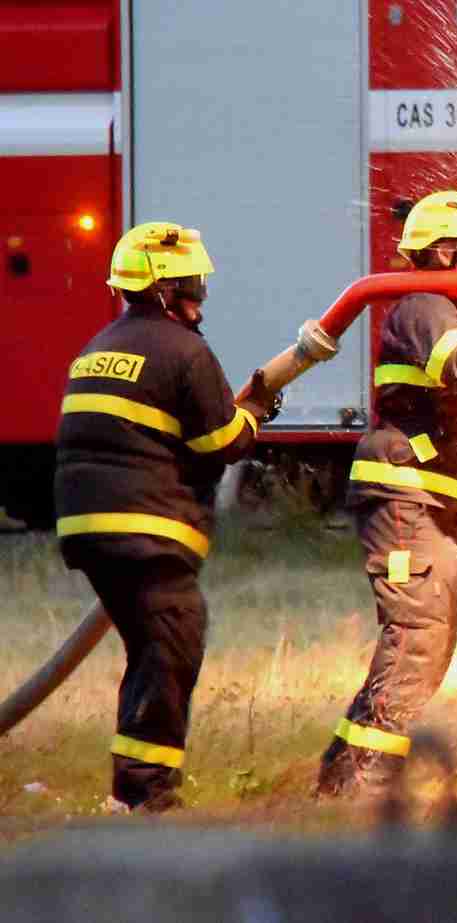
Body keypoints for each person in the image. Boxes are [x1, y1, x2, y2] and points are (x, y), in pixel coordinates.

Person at [316, 190, 457, 798]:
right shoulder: (423, 306)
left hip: (431, 505)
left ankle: (340, 774)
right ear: (448, 252)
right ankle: (365, 784)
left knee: (426, 647)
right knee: (416, 642)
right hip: (404, 499)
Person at [55, 221, 279, 813]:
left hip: (89, 529)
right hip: (146, 529)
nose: (200, 294)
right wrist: (256, 411)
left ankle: (135, 788)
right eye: (191, 282)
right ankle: (146, 792)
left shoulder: (100, 347)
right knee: (173, 642)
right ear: (163, 287)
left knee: (154, 647)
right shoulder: (184, 350)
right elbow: (220, 442)